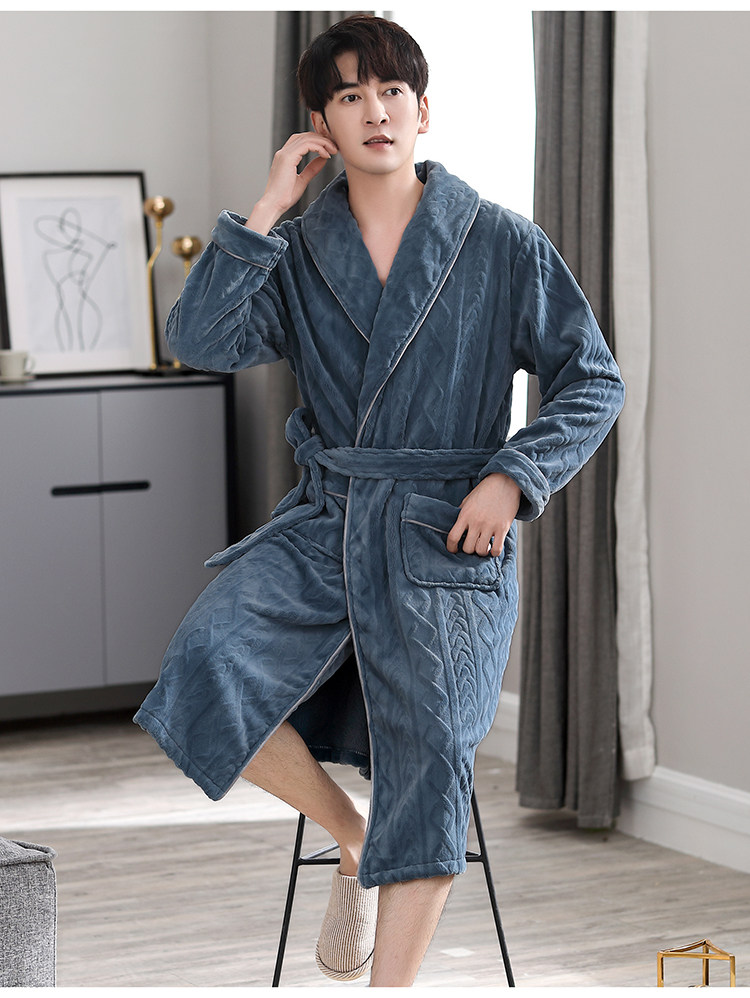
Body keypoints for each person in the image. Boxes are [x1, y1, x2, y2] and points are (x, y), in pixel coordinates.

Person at [134, 14, 625, 987]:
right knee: (204, 661)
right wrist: (267, 206)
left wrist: (512, 476)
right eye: (350, 95)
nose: (376, 111)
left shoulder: (500, 242)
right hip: (330, 520)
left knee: (433, 749)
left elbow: (592, 380)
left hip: (447, 532)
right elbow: (200, 339)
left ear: (423, 110)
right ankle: (352, 836)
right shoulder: (298, 249)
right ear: (320, 124)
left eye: (392, 90)